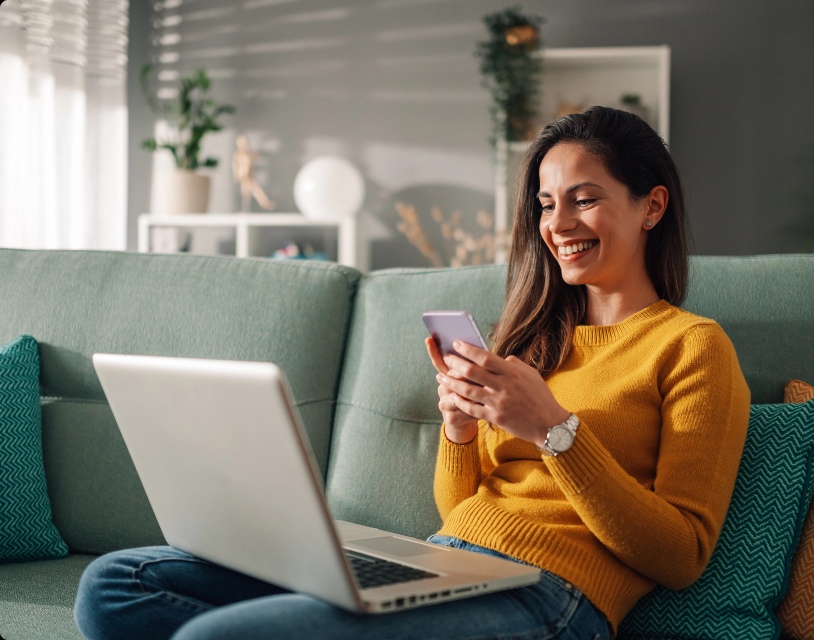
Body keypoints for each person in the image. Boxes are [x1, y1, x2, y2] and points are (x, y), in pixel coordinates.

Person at [73, 106, 750, 640]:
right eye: (545, 204)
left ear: (651, 207)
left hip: (551, 600)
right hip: (444, 563)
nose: (558, 222)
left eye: (584, 198)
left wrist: (557, 431)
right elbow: (462, 513)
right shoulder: (531, 343)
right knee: (116, 585)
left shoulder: (692, 347)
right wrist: (458, 430)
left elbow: (682, 554)